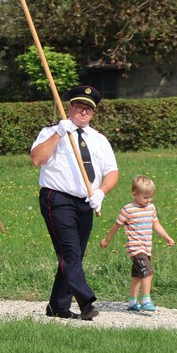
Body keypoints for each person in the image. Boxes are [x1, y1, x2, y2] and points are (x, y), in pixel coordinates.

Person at [31, 85, 119, 321]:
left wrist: (101, 192)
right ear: (69, 108)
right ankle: (86, 301)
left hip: (86, 202)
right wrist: (59, 133)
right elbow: (36, 159)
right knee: (70, 252)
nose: (83, 112)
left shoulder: (99, 140)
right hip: (57, 199)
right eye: (79, 107)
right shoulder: (52, 132)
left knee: (74, 255)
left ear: (93, 113)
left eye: (88, 109)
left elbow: (112, 172)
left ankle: (57, 306)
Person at [100, 174, 175, 312]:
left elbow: (155, 224)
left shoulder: (151, 208)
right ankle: (146, 300)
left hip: (147, 248)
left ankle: (132, 303)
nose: (148, 200)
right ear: (135, 194)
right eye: (145, 197)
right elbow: (116, 226)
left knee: (137, 276)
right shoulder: (128, 210)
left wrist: (166, 236)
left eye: (150, 197)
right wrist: (107, 240)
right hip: (135, 248)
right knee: (148, 271)